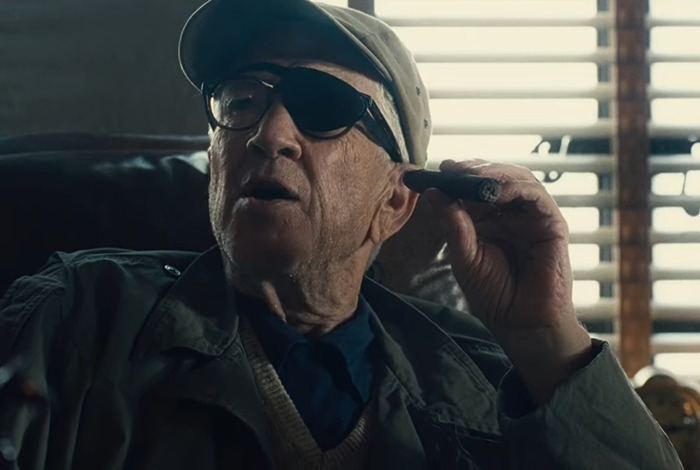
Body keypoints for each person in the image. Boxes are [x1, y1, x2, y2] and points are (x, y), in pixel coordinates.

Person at [0, 0, 683, 468]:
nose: (268, 134)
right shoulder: (80, 317)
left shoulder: (493, 379)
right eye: (242, 100)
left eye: (324, 109)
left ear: (394, 200)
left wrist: (547, 339)